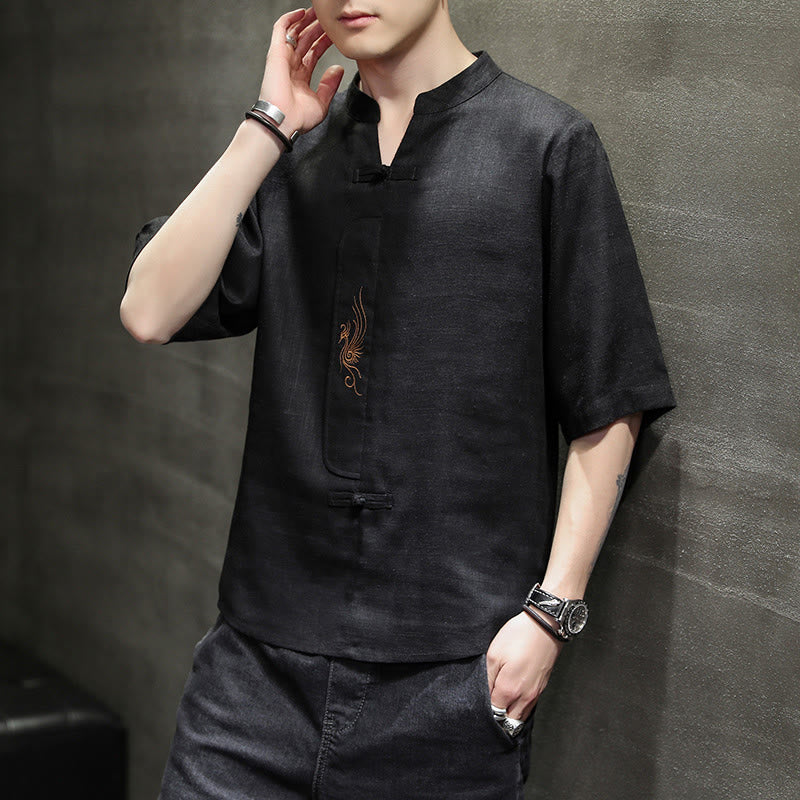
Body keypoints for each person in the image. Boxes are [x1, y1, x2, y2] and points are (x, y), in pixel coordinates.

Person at [120, 2, 676, 798]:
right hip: (253, 677)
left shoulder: (544, 144)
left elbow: (608, 400)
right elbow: (148, 311)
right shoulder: (296, 158)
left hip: (447, 686)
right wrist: (267, 128)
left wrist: (551, 616)